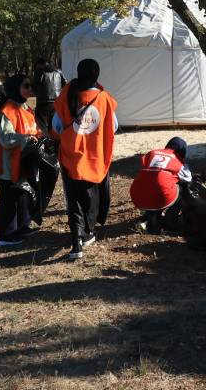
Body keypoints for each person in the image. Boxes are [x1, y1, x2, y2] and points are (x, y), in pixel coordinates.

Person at [53, 58, 118, 261]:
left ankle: (77, 243)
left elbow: (56, 126)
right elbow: (114, 125)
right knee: (91, 196)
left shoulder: (67, 94)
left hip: (70, 156)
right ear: (96, 75)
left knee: (74, 201)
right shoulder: (104, 98)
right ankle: (87, 232)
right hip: (94, 156)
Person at [0, 73, 41, 246]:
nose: (29, 89)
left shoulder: (25, 108)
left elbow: (34, 129)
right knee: (9, 199)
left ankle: (22, 227)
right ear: (15, 87)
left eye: (31, 86)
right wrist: (24, 138)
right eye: (26, 86)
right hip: (7, 165)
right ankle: (6, 235)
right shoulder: (7, 110)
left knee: (23, 195)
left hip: (23, 162)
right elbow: (6, 138)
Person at [131, 137, 194, 234]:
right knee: (183, 187)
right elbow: (188, 179)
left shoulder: (152, 153)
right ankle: (170, 221)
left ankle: (148, 219)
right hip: (160, 195)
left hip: (137, 195)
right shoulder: (178, 159)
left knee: (153, 184)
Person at [33, 58, 65, 131]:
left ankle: (47, 138)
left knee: (43, 128)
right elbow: (65, 84)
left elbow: (35, 88)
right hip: (57, 103)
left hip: (43, 104)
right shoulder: (59, 72)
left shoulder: (39, 73)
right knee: (55, 126)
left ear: (40, 65)